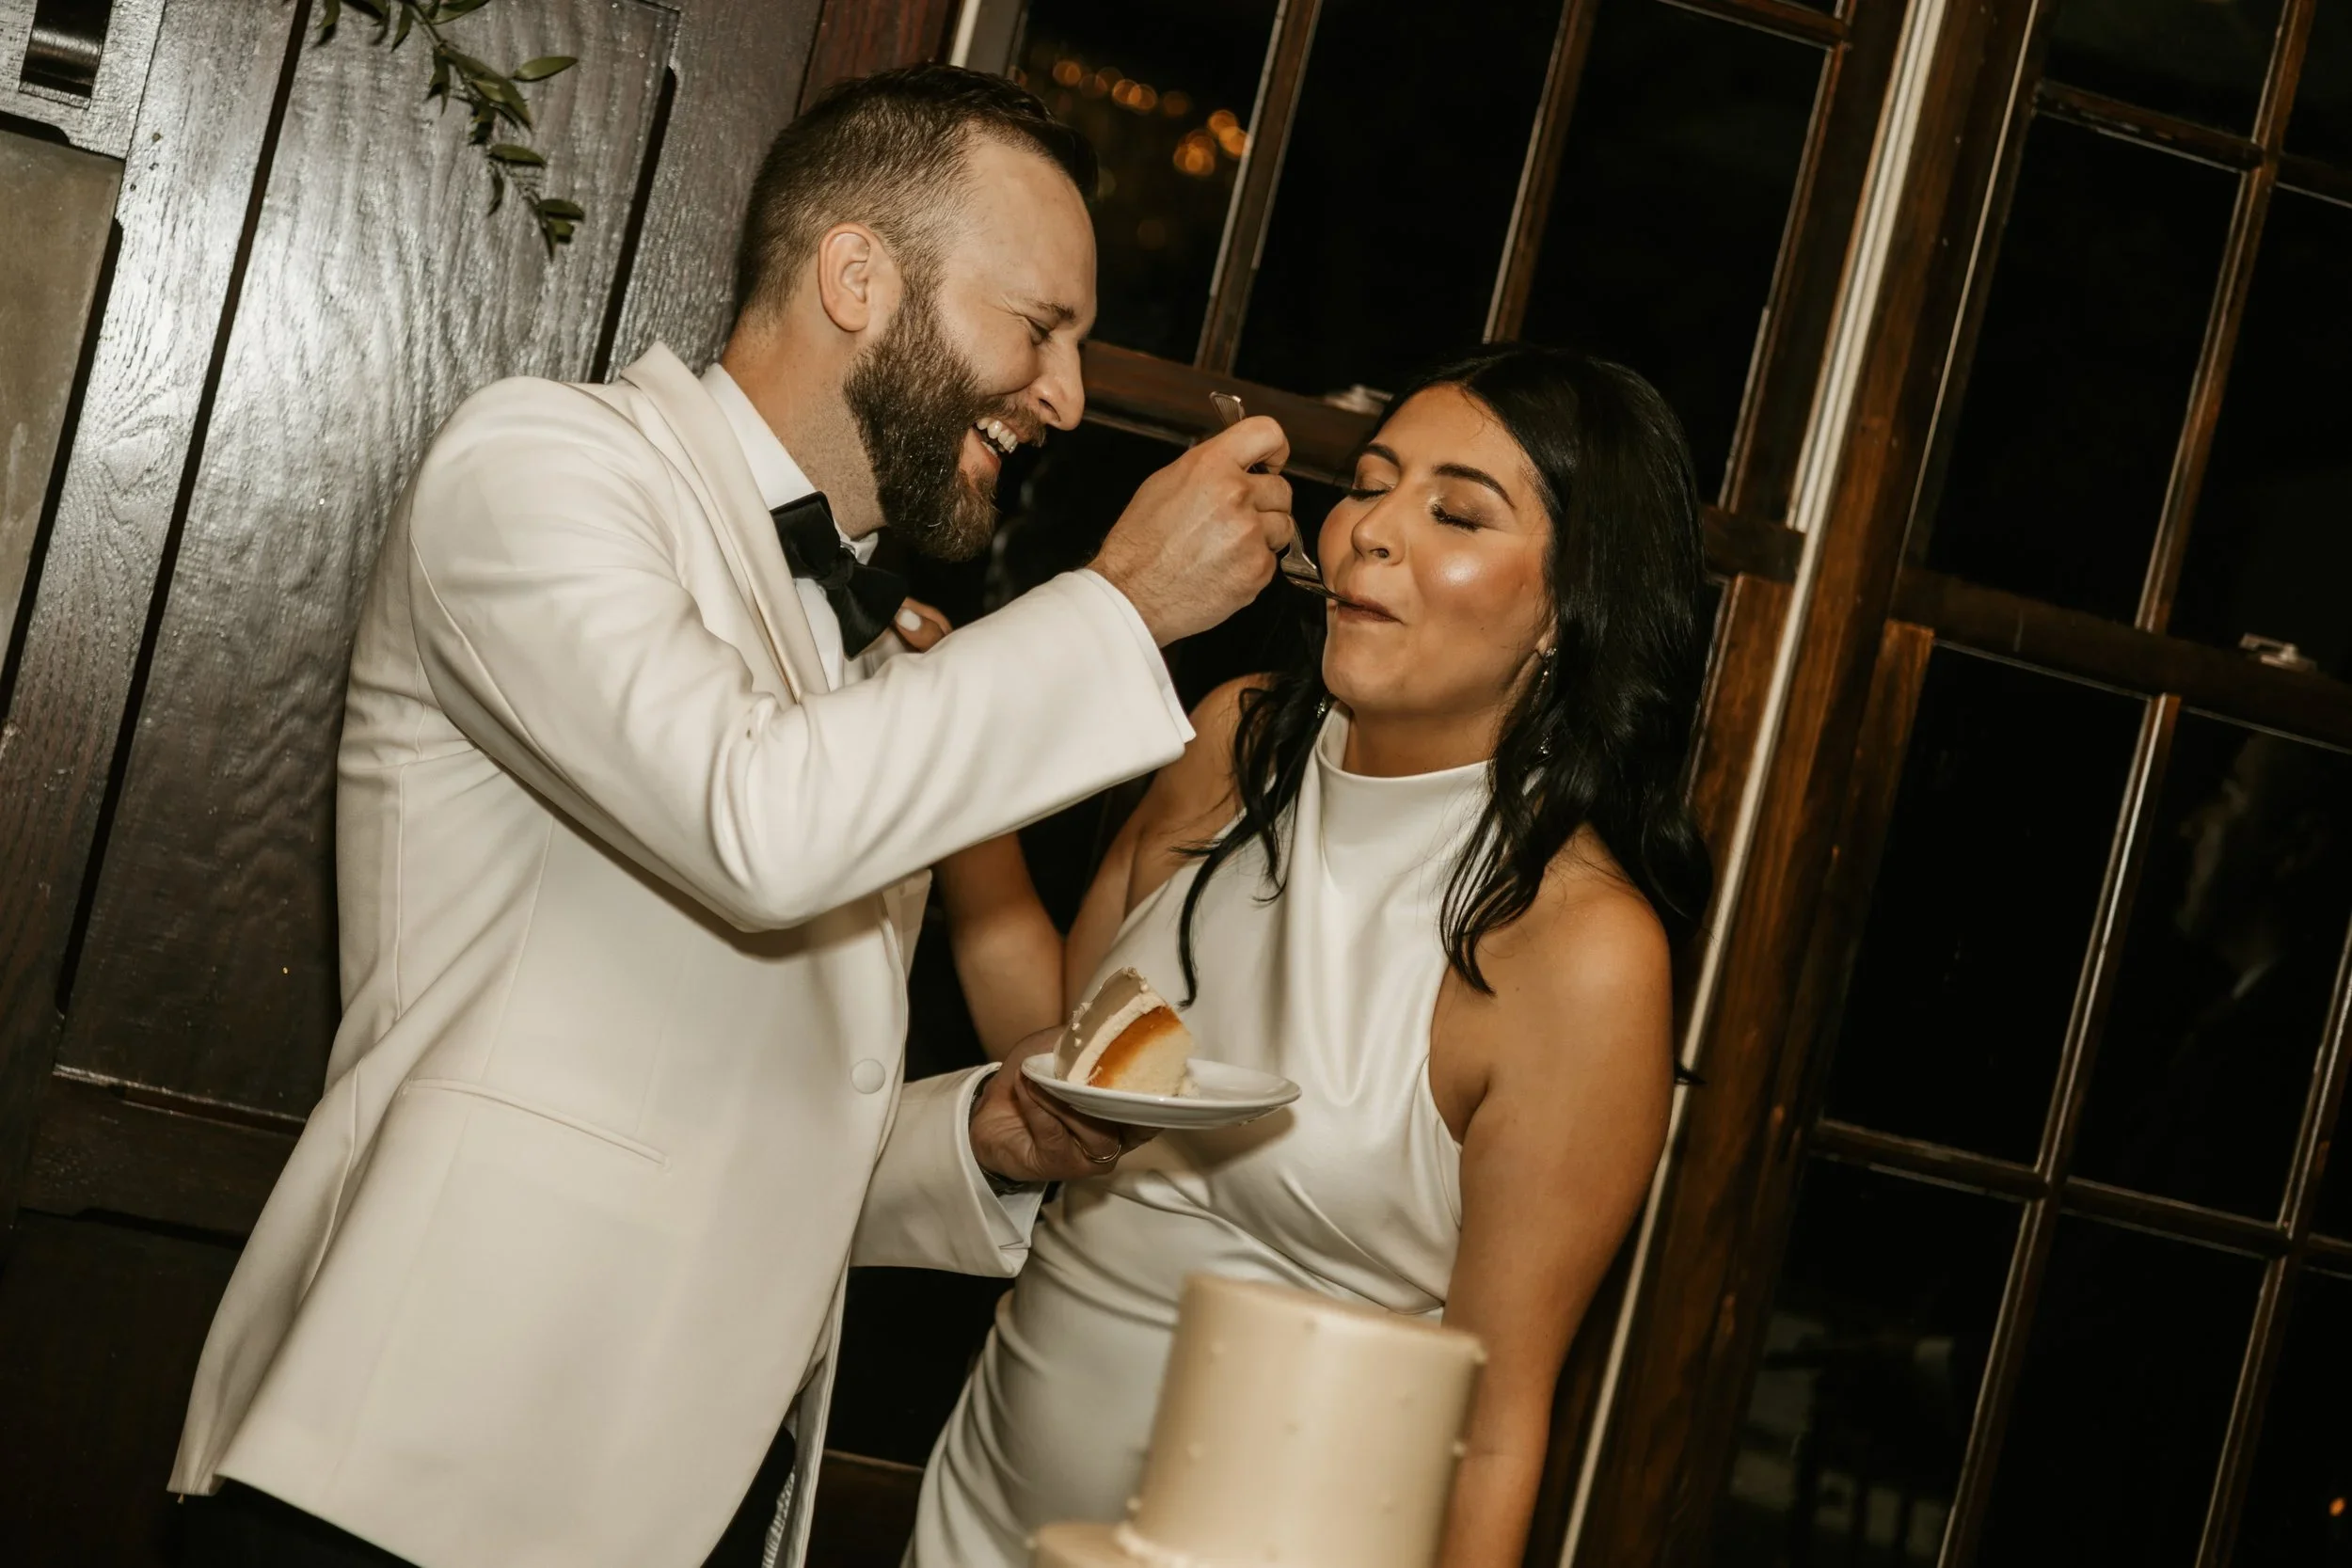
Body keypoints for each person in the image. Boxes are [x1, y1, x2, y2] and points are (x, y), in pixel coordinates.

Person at [167, 66, 1295, 1568]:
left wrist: (978, 1139)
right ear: (856, 274)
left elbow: (730, 1118)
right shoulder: (545, 466)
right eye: (1040, 327)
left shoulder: (850, 637)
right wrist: (1124, 605)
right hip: (409, 1475)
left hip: (668, 1505)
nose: (1068, 398)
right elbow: (755, 824)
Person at [910, 343, 1716, 1568]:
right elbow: (1056, 1060)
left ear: (1568, 609)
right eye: (1372, 483)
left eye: (1452, 511)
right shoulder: (1236, 736)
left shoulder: (1581, 949)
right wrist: (941, 751)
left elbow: (1492, 1427)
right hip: (978, 1514)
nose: (1369, 532)